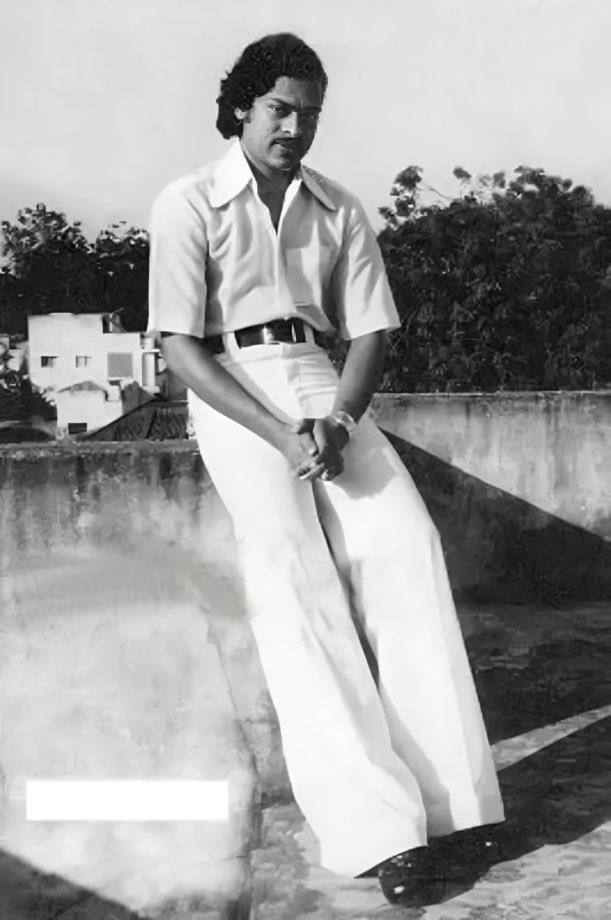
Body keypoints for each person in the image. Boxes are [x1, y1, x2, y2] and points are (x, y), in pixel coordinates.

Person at [147, 32, 505, 906]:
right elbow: (180, 347)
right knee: (295, 582)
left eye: (308, 115)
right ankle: (378, 832)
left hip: (320, 377)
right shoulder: (188, 201)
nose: (295, 128)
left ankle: (453, 805)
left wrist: (337, 420)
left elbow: (371, 330)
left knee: (405, 546)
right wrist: (279, 433)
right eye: (279, 109)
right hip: (231, 386)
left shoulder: (336, 206)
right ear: (241, 106)